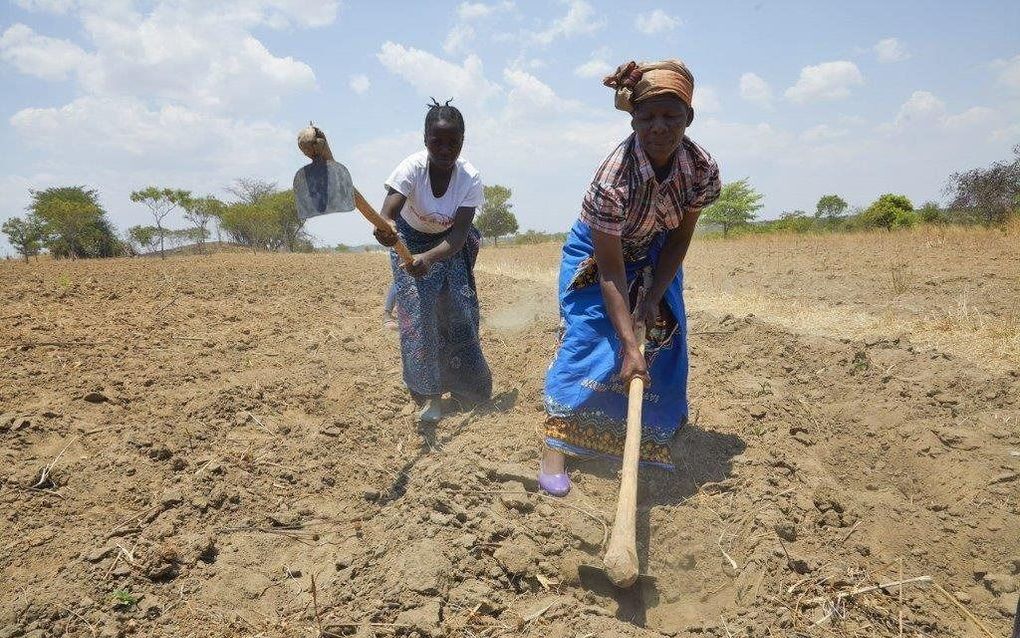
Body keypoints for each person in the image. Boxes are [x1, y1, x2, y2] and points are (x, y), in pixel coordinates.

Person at [540, 60, 722, 496]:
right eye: (647, 117)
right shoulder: (612, 178)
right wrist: (626, 343)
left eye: (671, 116)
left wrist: (652, 298)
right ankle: (556, 445)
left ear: (689, 118)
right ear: (633, 118)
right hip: (600, 256)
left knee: (664, 336)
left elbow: (679, 241)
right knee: (589, 335)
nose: (659, 127)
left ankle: (644, 440)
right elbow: (609, 270)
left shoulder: (701, 169)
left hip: (658, 249)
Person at [374, 99, 493, 424]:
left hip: (449, 244)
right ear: (425, 140)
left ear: (462, 141)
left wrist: (429, 258)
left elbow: (456, 239)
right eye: (436, 141)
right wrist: (386, 230)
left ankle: (468, 389)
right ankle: (428, 396)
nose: (444, 148)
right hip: (410, 241)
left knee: (459, 312)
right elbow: (387, 215)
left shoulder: (469, 178)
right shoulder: (412, 169)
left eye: (452, 142)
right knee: (419, 316)